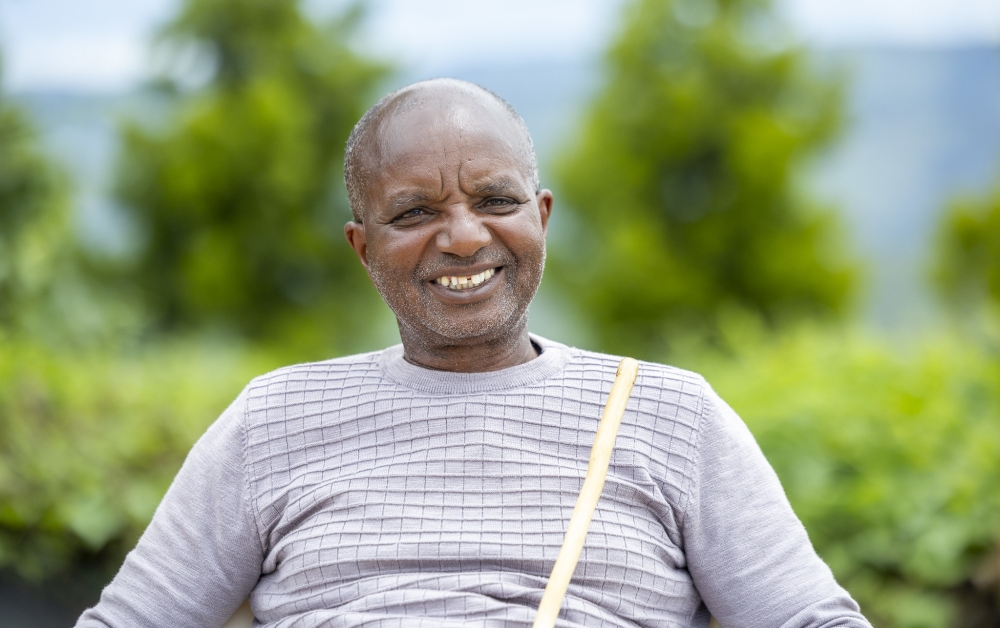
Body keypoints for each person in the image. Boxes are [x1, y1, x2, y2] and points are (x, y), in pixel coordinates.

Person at [76, 79, 871, 628]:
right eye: (416, 211)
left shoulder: (671, 414)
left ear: (543, 216)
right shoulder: (273, 419)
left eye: (496, 201)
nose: (463, 237)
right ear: (363, 247)